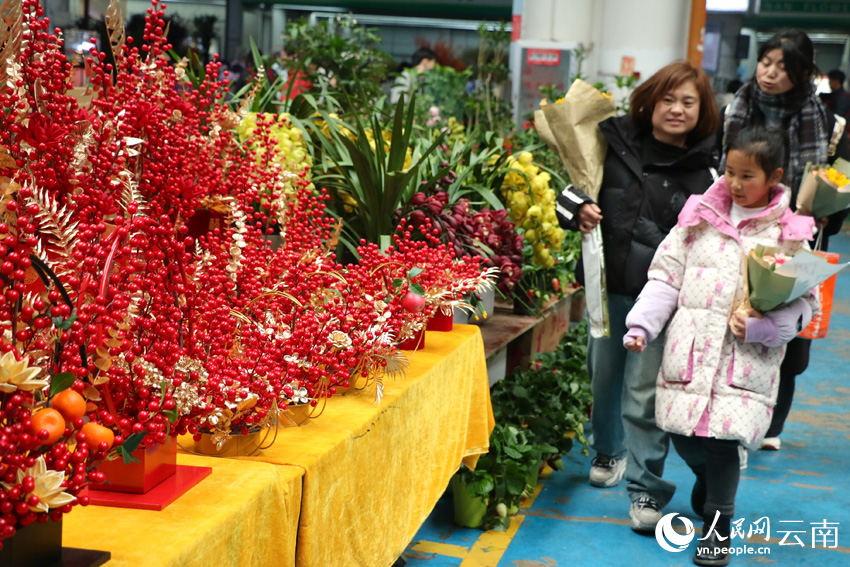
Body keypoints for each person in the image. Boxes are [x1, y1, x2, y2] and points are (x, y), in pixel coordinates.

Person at [624, 126, 817, 566]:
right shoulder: (698, 218)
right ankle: (708, 481)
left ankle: (718, 528)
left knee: (723, 442)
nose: (735, 183)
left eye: (747, 175)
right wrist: (642, 326)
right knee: (683, 434)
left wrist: (762, 329)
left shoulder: (788, 234)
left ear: (774, 176)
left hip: (745, 361)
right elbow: (665, 277)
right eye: (730, 172)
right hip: (689, 352)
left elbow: (805, 303)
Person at [554, 61, 720, 533]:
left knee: (644, 395)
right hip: (609, 289)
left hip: (664, 299)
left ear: (702, 110)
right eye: (668, 99)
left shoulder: (707, 172)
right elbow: (567, 196)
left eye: (688, 102)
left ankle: (647, 488)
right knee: (603, 377)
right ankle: (608, 449)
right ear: (650, 102)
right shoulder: (612, 145)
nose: (676, 109)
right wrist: (578, 209)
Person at [718, 30, 850, 452]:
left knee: (792, 338)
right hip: (741, 222)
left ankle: (772, 426)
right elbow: (721, 167)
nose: (771, 74)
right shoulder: (740, 104)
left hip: (797, 230)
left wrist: (819, 208)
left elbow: (821, 174)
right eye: (766, 63)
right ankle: (731, 418)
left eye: (784, 67)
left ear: (802, 74)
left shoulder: (818, 115)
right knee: (738, 322)